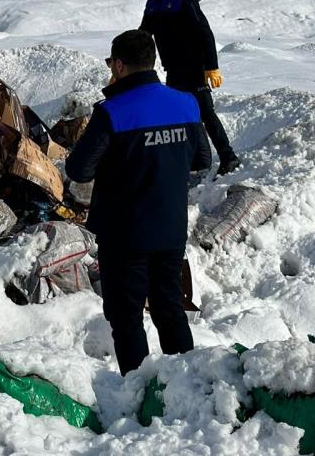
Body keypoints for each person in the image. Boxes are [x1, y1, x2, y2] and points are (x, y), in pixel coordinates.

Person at [66, 30, 211, 375]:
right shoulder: (185, 103)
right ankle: (187, 386)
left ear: (118, 64)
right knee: (169, 309)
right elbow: (202, 158)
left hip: (125, 234)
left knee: (127, 316)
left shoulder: (114, 111)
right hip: (171, 228)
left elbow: (79, 169)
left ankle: (137, 389)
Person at [139, 0, 241, 176]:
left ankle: (229, 157)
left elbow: (205, 32)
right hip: (173, 70)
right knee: (179, 115)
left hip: (195, 68)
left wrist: (211, 67)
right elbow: (142, 37)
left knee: (205, 113)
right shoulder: (153, 4)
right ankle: (195, 161)